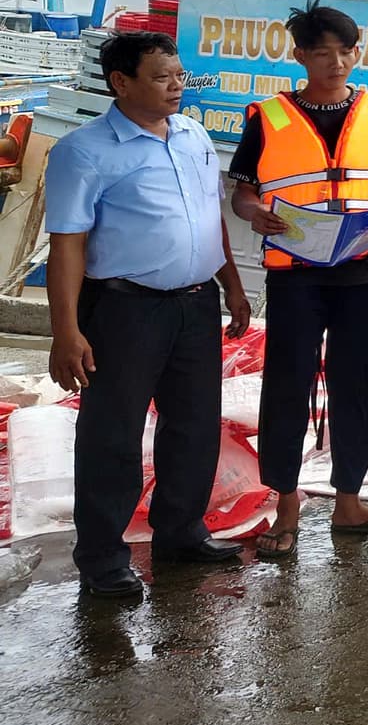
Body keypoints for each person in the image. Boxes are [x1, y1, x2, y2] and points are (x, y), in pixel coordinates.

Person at [44, 30, 253, 599]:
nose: (177, 87)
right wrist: (65, 331)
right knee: (112, 433)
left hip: (195, 304)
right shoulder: (82, 151)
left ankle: (181, 533)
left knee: (193, 424)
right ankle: (103, 557)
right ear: (121, 82)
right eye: (162, 77)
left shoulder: (193, 135)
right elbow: (67, 244)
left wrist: (232, 286)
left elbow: (211, 218)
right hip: (123, 308)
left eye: (180, 76)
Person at [229, 5, 368, 558]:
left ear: (358, 53)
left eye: (346, 50)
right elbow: (241, 188)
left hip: (363, 268)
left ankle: (350, 501)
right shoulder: (267, 117)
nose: (336, 62)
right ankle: (285, 506)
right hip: (296, 275)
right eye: (321, 52)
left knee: (357, 384)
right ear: (300, 57)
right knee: (287, 386)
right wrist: (252, 211)